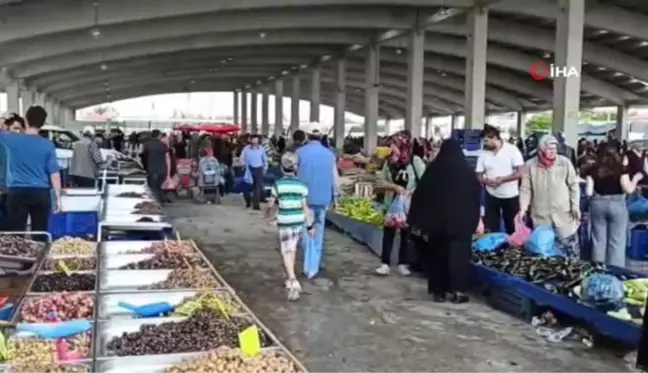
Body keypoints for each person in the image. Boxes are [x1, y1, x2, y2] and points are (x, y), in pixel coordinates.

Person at [408, 139, 481, 303]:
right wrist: (475, 220)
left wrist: (418, 220)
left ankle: (438, 292)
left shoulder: (434, 169)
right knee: (460, 257)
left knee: (437, 256)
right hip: (461, 224)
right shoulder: (467, 172)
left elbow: (421, 195)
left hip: (438, 225)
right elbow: (476, 198)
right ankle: (458, 291)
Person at [518, 134, 581, 258]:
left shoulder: (565, 163)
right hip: (541, 217)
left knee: (570, 253)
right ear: (540, 151)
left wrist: (575, 206)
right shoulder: (530, 165)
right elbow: (525, 189)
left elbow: (574, 186)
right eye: (549, 150)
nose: (553, 153)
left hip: (564, 216)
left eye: (555, 150)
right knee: (543, 254)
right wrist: (523, 209)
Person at [0, 106, 61, 234]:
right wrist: (58, 197)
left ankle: (17, 254)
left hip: (16, 191)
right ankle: (39, 252)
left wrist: (6, 120)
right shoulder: (48, 145)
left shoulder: (10, 139)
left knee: (16, 235)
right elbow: (54, 174)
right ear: (43, 123)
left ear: (26, 120)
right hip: (41, 192)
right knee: (40, 233)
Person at [264, 152, 315, 301]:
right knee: (291, 248)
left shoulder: (278, 184)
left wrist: (267, 212)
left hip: (285, 221)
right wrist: (310, 226)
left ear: (281, 168)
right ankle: (290, 276)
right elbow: (305, 208)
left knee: (286, 250)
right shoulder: (302, 186)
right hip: (298, 221)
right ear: (296, 168)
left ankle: (293, 280)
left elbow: (271, 203)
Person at [375, 130, 426, 276]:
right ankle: (384, 263)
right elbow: (380, 181)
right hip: (391, 203)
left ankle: (403, 263)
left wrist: (412, 191)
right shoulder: (388, 162)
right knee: (388, 232)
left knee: (406, 234)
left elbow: (424, 181)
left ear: (403, 145)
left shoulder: (415, 161)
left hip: (408, 204)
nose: (391, 148)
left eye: (394, 145)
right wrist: (394, 187)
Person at [586, 144, 641, 267]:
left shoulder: (593, 169)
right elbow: (629, 189)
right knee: (616, 241)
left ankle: (597, 270)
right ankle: (614, 272)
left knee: (598, 240)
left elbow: (588, 192)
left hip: (597, 204)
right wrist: (636, 179)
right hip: (617, 205)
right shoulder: (621, 169)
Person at [296, 123, 340, 278]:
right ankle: (315, 264)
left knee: (306, 230)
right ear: (322, 136)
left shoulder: (299, 153)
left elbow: (293, 175)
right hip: (323, 199)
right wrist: (336, 196)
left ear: (307, 136)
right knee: (319, 231)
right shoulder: (330, 154)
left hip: (304, 200)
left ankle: (308, 266)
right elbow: (335, 178)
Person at [475, 125, 524, 234]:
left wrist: (503, 179)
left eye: (487, 141)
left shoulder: (512, 150)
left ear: (495, 138)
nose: (485, 144)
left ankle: (513, 248)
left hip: (510, 195)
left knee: (512, 226)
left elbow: (520, 172)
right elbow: (478, 175)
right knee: (491, 226)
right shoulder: (483, 154)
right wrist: (487, 181)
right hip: (491, 194)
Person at [141, 129, 169, 202]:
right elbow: (167, 159)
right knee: (158, 186)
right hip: (162, 170)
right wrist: (168, 172)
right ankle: (161, 200)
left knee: (152, 187)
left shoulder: (146, 144)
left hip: (151, 169)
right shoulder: (164, 145)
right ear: (159, 135)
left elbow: (144, 157)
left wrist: (144, 167)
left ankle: (157, 203)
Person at [241, 134, 267, 210]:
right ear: (250, 140)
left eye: (256, 139)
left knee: (257, 188)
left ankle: (256, 205)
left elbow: (264, 159)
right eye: (253, 139)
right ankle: (248, 201)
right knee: (247, 186)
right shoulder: (246, 149)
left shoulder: (261, 149)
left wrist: (265, 168)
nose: (255, 141)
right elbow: (242, 158)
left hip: (259, 169)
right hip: (249, 169)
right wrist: (244, 166)